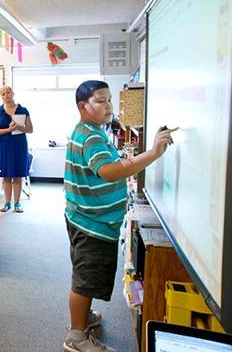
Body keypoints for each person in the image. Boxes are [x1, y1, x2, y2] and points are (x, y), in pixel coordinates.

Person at [63, 80, 176, 352]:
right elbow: (110, 171)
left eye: (110, 99)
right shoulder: (91, 137)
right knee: (85, 280)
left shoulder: (88, 130)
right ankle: (76, 336)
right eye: (100, 101)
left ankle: (82, 317)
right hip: (93, 223)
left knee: (87, 275)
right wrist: (152, 154)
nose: (109, 106)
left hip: (85, 217)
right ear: (83, 106)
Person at [0, 86, 33, 213]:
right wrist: (9, 130)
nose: (6, 95)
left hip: (19, 145)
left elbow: (30, 129)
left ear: (13, 93)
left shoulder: (23, 110)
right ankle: (7, 203)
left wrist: (19, 127)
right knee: (6, 176)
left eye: (8, 92)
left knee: (18, 175)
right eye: (3, 94)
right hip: (4, 145)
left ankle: (17, 203)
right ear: (1, 97)